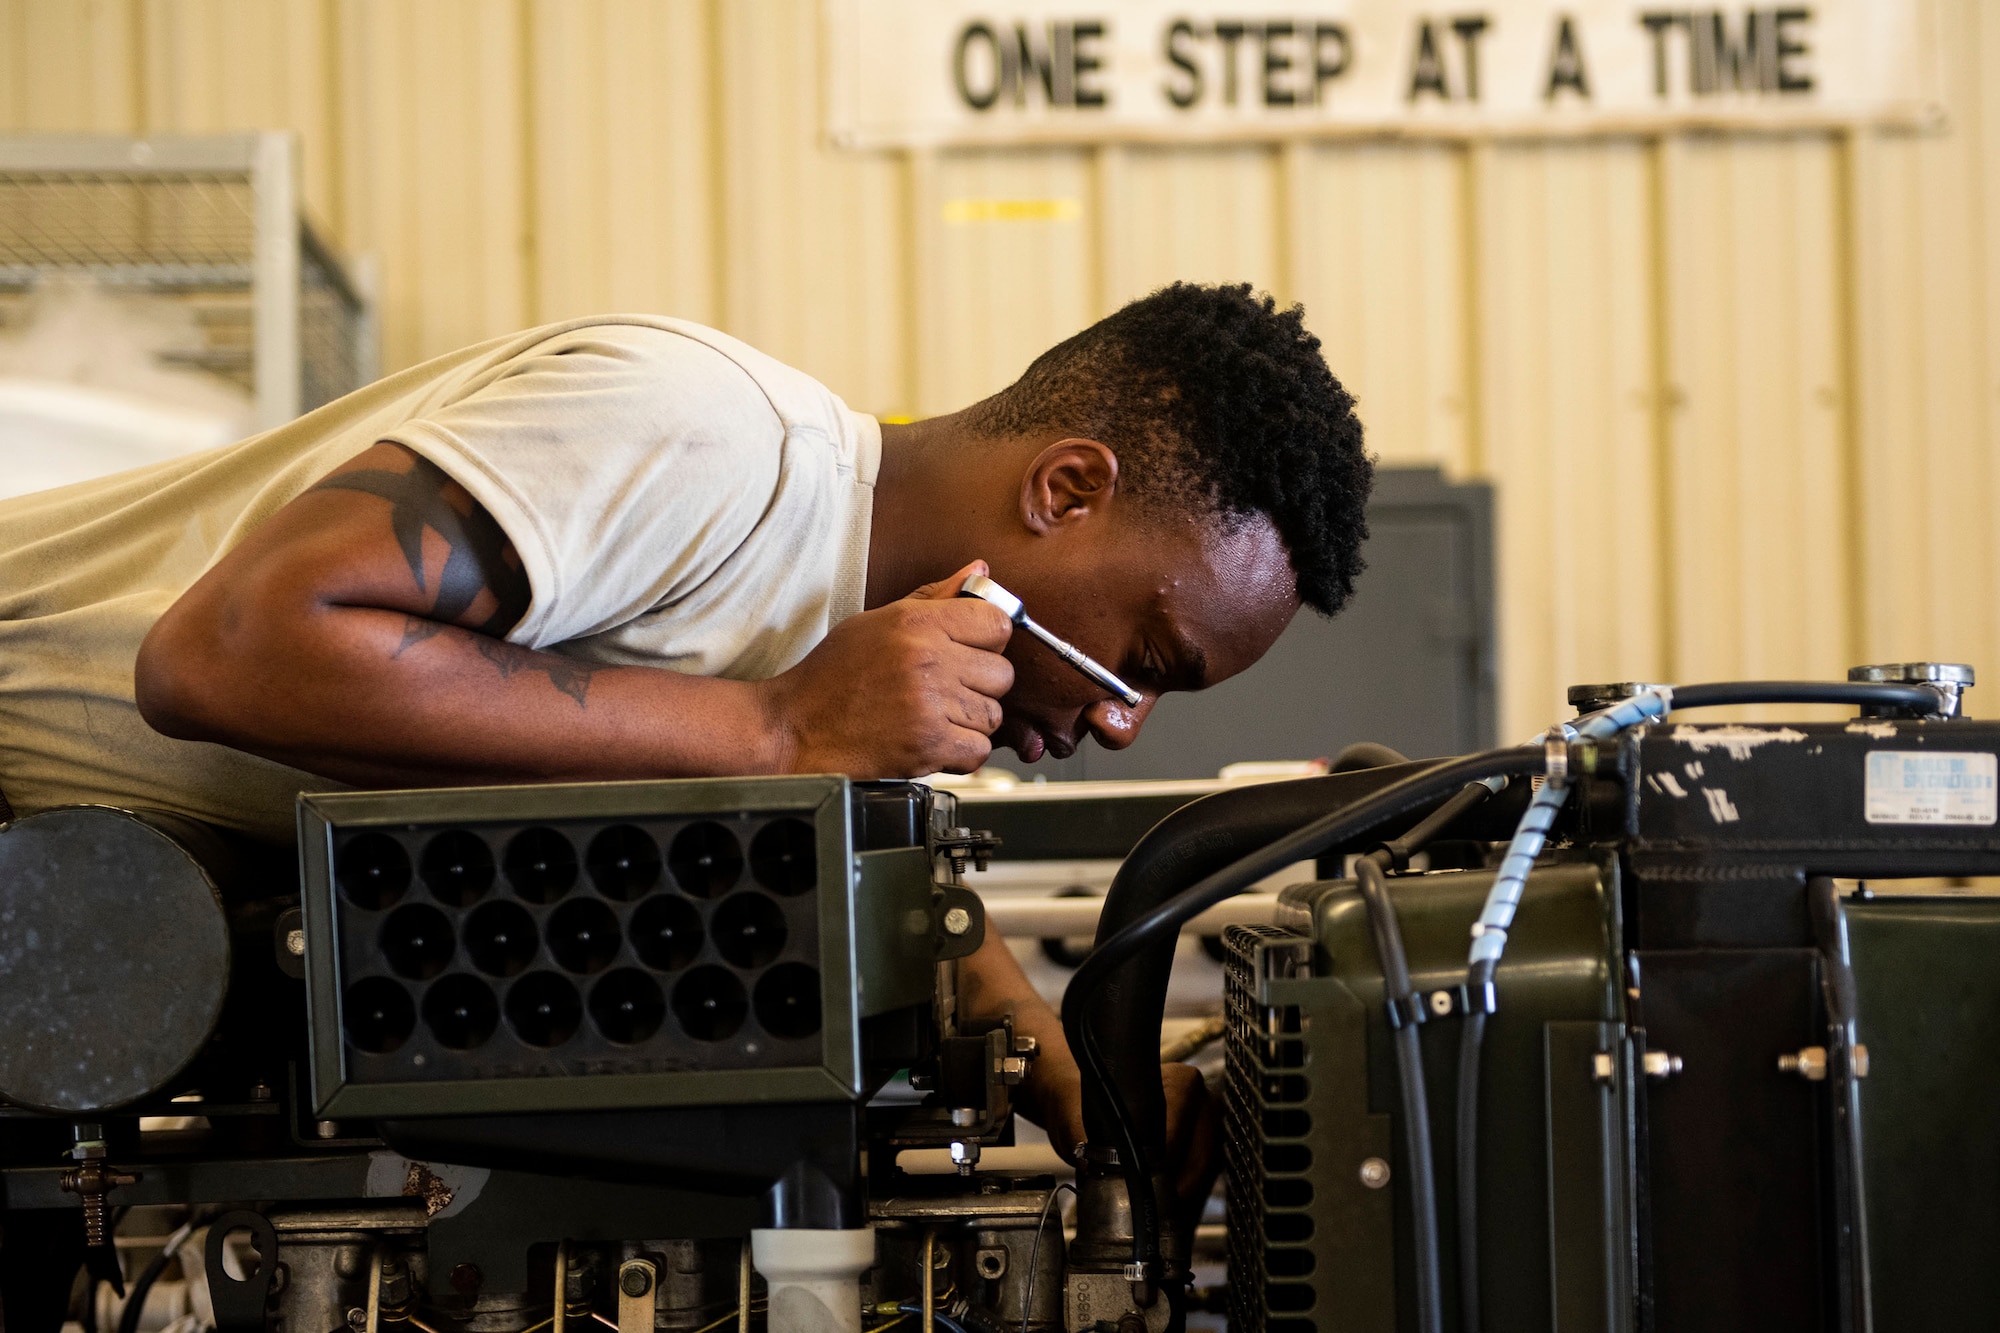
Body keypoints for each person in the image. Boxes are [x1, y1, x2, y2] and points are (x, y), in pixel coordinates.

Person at [0, 280, 1371, 1205]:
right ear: (1067, 489)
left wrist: (1076, 1077)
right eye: (1142, 658)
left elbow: (876, 862)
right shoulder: (707, 437)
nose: (1119, 720)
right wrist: (778, 728)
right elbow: (223, 647)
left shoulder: (842, 637)